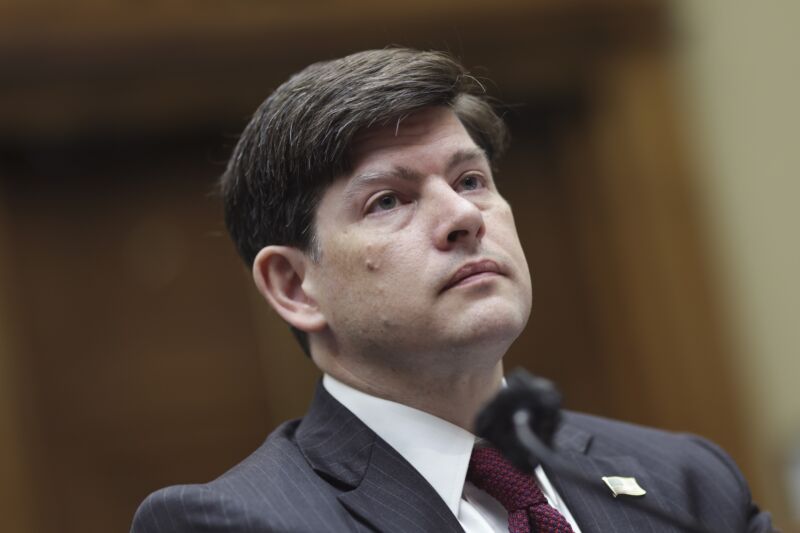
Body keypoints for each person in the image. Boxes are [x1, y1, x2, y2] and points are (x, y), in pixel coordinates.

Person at [131, 48, 773, 532]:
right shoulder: (237, 522)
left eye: (470, 181)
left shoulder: (687, 484)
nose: (464, 217)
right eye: (388, 201)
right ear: (296, 286)